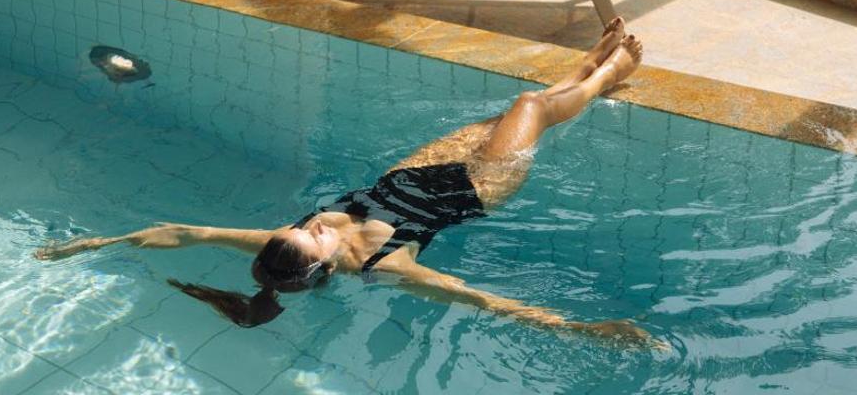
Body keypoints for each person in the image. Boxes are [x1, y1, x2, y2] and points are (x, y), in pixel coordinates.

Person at [36, 18, 654, 345]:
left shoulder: (280, 249)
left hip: (411, 172)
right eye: (312, 235)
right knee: (528, 108)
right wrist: (580, 330)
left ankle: (583, 71)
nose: (310, 223)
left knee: (505, 118)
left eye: (298, 225)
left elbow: (184, 232)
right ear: (324, 264)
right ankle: (606, 73)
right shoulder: (387, 267)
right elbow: (481, 301)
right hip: (478, 188)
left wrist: (96, 244)